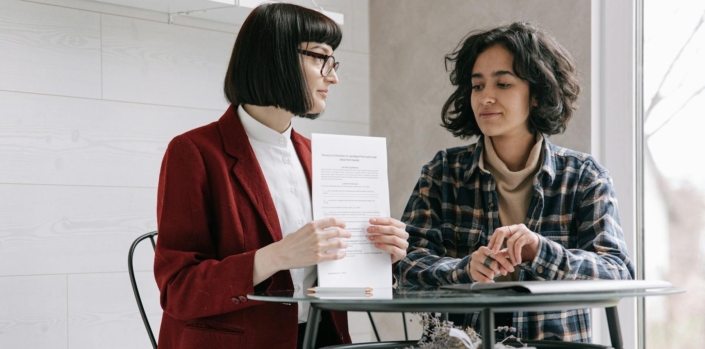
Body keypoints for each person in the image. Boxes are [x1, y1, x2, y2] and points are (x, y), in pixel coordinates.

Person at [154, 3, 410, 349]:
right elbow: (179, 290)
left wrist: (379, 255)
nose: (333, 76)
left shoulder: (320, 157)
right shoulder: (194, 152)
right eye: (321, 58)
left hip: (319, 338)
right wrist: (276, 256)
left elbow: (339, 280)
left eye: (333, 61)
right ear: (277, 58)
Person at [395, 22, 635, 343]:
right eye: (477, 86)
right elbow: (406, 264)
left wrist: (539, 251)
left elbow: (617, 271)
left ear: (537, 95)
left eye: (503, 84)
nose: (486, 98)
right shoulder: (442, 173)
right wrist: (463, 269)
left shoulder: (584, 175)